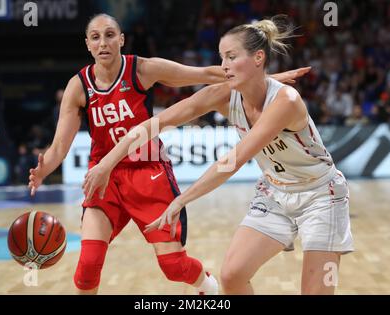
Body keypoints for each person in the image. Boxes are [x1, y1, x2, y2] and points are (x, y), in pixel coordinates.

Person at [28, 13, 309, 295]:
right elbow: (59, 147)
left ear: (121, 40)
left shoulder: (142, 69)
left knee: (173, 266)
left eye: (110, 35)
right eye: (96, 37)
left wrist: (264, 79)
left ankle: (208, 288)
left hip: (147, 173)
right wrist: (44, 169)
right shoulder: (79, 86)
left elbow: (204, 74)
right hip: (104, 176)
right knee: (88, 266)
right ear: (87, 44)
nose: (103, 43)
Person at [83, 16, 354, 295]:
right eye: (222, 57)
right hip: (275, 192)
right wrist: (107, 162)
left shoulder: (286, 101)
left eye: (231, 57)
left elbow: (232, 161)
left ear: (258, 58)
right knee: (232, 276)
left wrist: (181, 200)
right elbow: (154, 124)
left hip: (321, 196)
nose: (223, 66)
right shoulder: (222, 95)